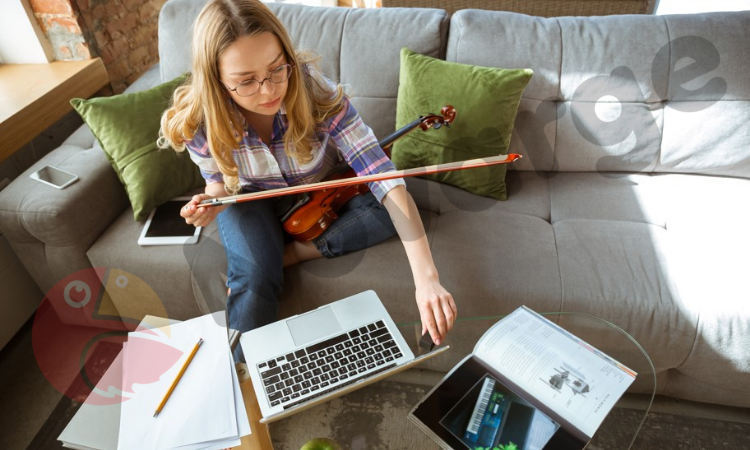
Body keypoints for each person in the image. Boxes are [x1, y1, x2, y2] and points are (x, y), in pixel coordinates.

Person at [159, 0, 456, 361]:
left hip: (324, 187)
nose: (268, 91)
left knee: (393, 208)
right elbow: (218, 181)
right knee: (252, 279)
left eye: (276, 69)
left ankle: (291, 253)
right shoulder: (198, 121)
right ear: (217, 80)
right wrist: (212, 201)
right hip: (251, 199)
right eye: (246, 82)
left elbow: (382, 174)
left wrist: (427, 280)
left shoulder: (315, 91)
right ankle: (244, 385)